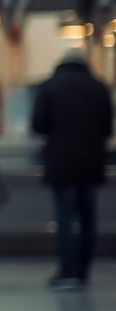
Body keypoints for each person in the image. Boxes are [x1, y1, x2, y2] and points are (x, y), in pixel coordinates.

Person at [31, 48, 113, 291]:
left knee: (65, 218)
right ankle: (83, 269)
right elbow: (107, 128)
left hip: (61, 162)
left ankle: (66, 270)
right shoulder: (99, 88)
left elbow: (38, 125)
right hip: (90, 162)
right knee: (88, 218)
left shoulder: (48, 87)